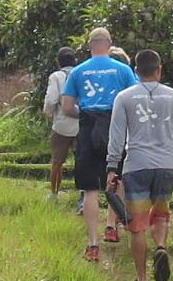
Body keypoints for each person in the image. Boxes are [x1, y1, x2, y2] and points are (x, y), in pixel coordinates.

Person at [106, 49, 173, 281]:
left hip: (136, 166)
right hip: (166, 165)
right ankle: (161, 247)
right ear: (159, 70)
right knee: (161, 214)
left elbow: (116, 136)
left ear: (136, 71)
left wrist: (112, 166)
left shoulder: (124, 98)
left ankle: (142, 280)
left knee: (137, 226)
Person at [59, 28, 139, 262]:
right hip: (114, 127)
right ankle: (111, 226)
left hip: (87, 128)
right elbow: (134, 101)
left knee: (90, 189)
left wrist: (84, 114)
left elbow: (66, 107)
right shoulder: (123, 70)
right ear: (109, 44)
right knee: (116, 178)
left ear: (90, 46)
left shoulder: (78, 71)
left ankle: (93, 245)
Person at [41, 47, 81, 201]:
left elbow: (51, 98)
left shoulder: (56, 76)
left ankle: (54, 194)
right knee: (82, 161)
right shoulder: (81, 73)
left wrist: (48, 112)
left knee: (57, 162)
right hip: (82, 124)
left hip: (62, 125)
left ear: (58, 62)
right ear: (75, 60)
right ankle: (83, 195)